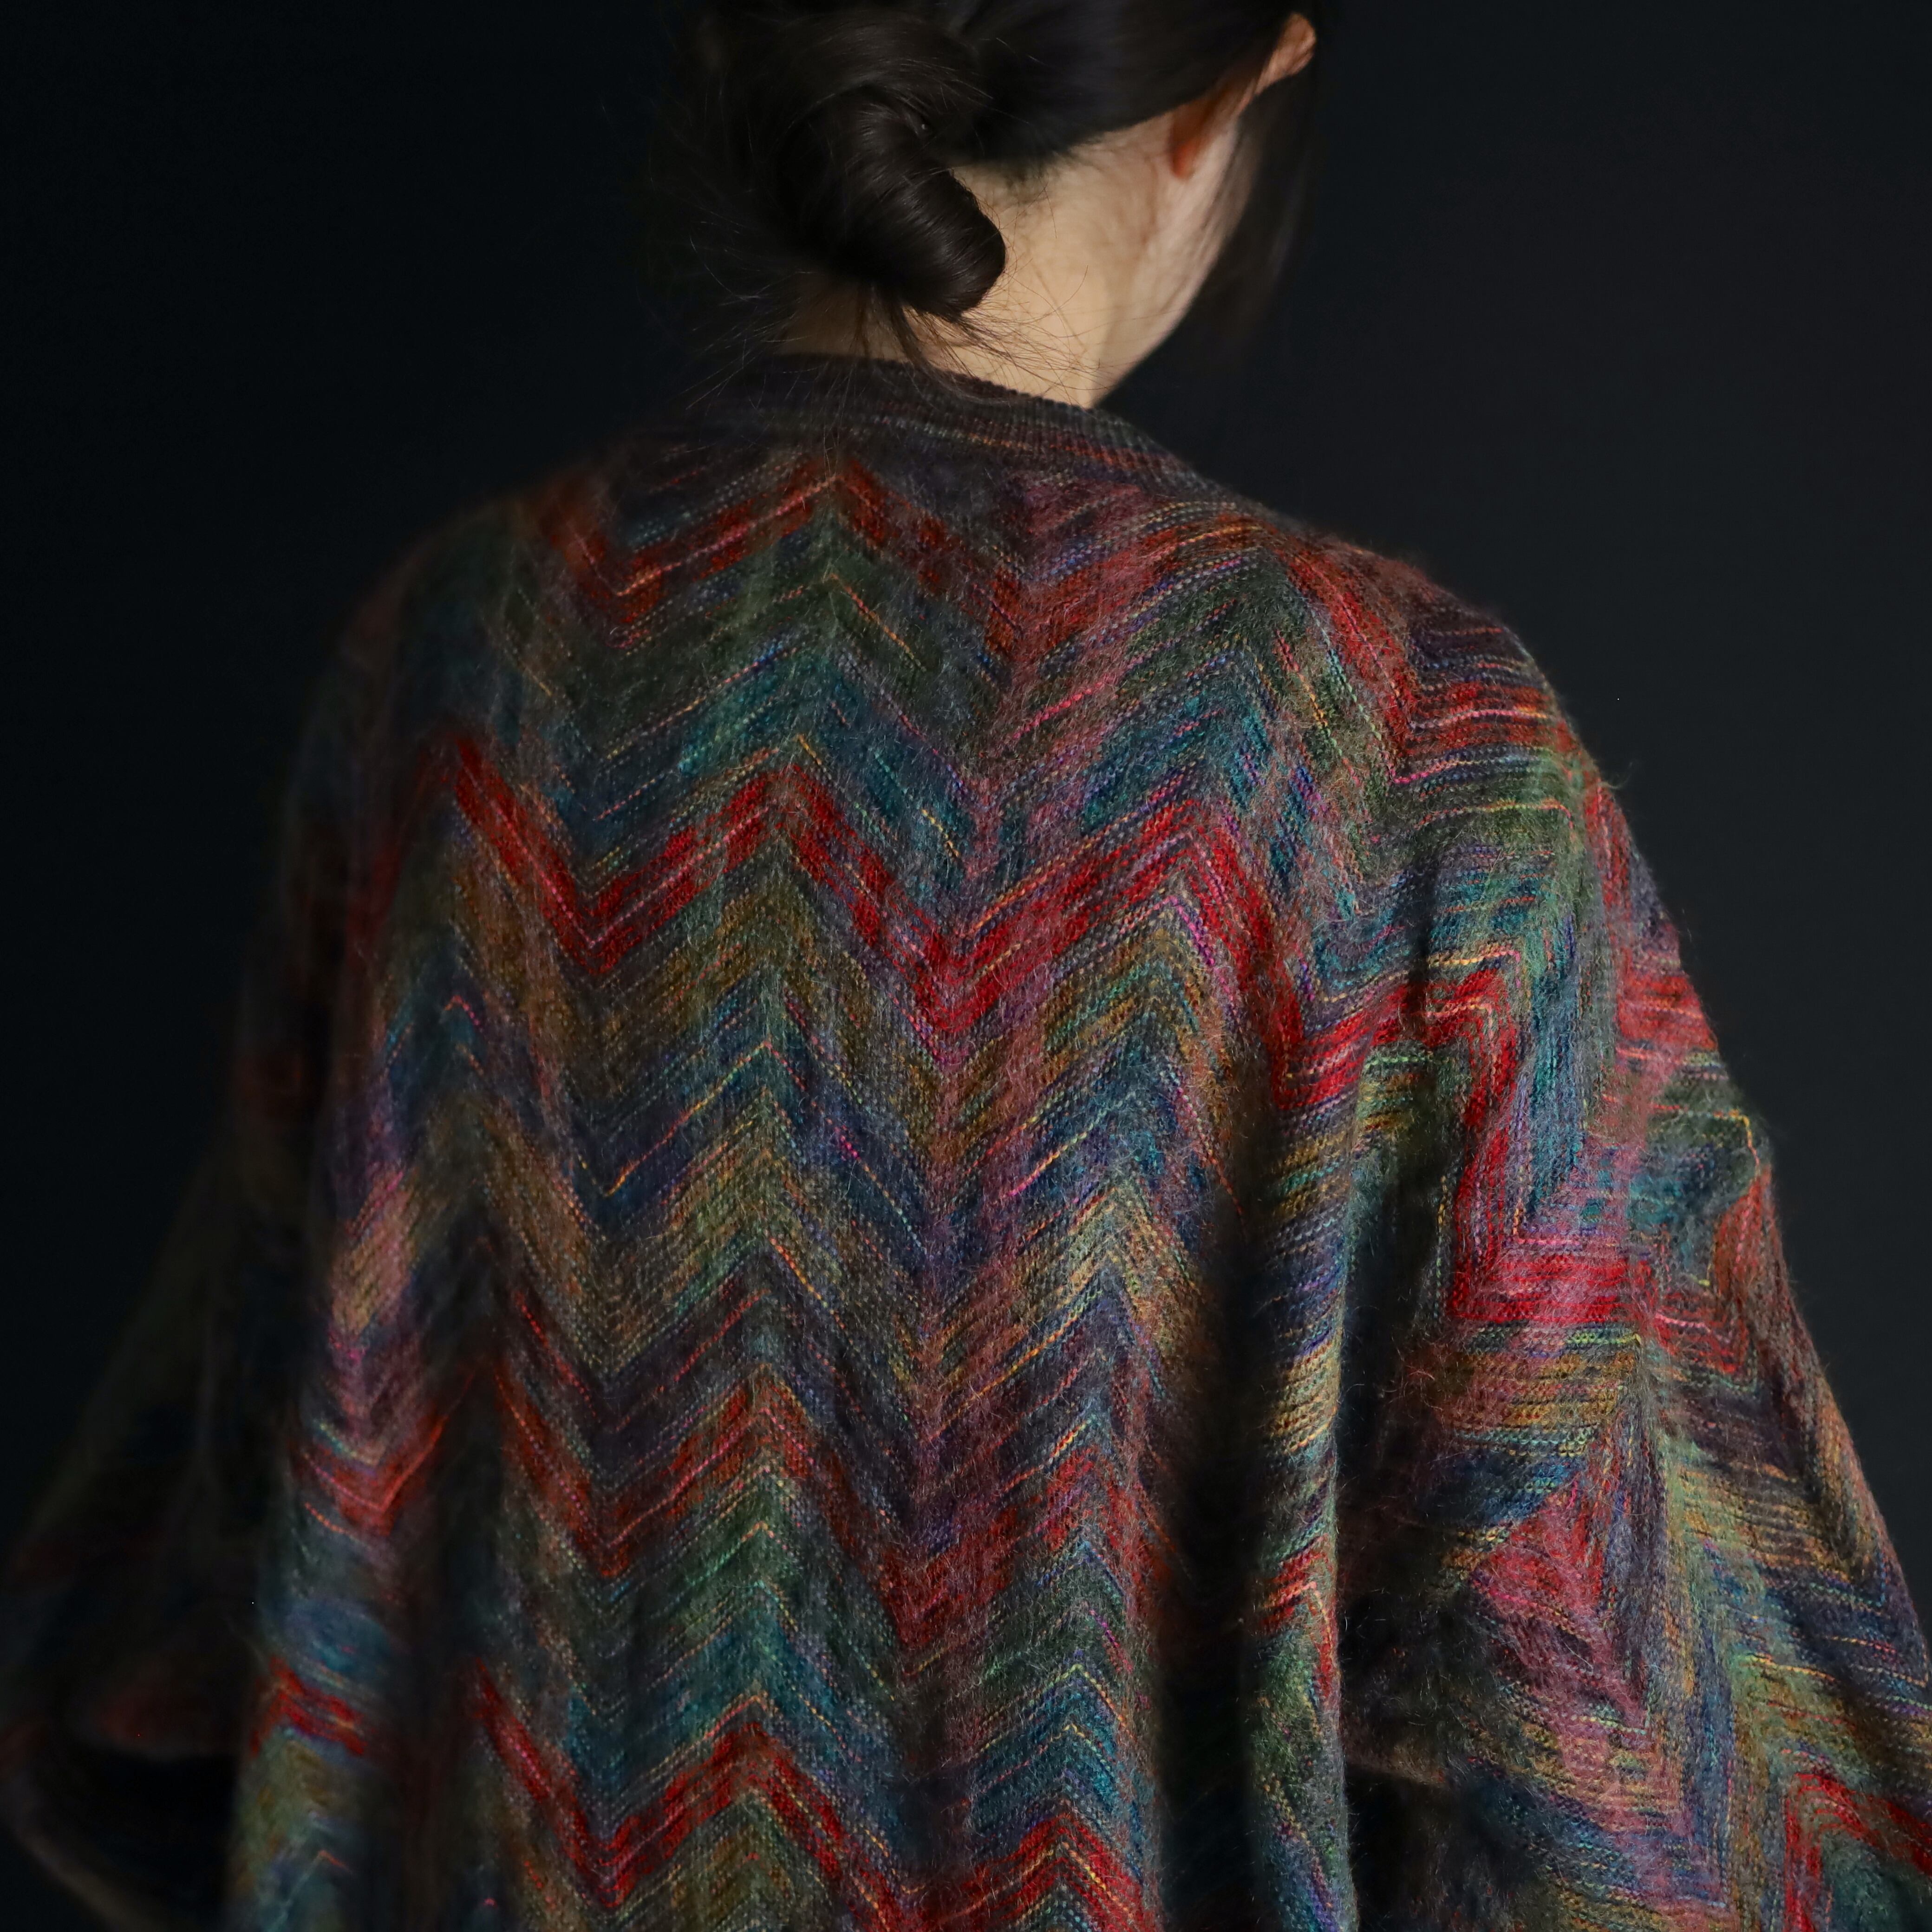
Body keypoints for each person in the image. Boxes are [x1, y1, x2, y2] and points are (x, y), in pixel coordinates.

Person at [4, 0, 1928, 1924]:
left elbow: (196, 1621)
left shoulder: (447, 669)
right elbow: (1684, 1778)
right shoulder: (1397, 747)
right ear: (1227, 96)